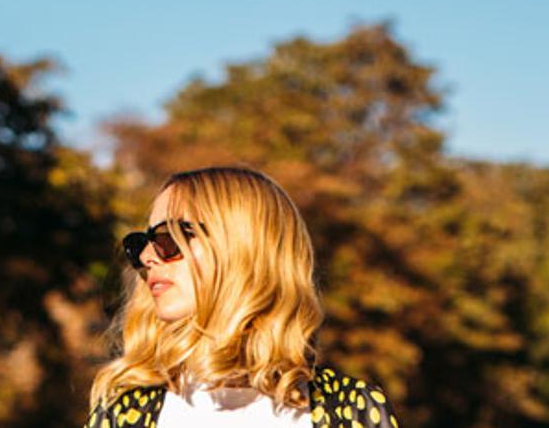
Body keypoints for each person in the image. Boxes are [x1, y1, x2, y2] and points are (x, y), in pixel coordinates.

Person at [82, 166, 400, 427]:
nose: (148, 256)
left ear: (243, 249)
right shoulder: (124, 414)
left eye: (168, 238)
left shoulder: (350, 411)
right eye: (142, 243)